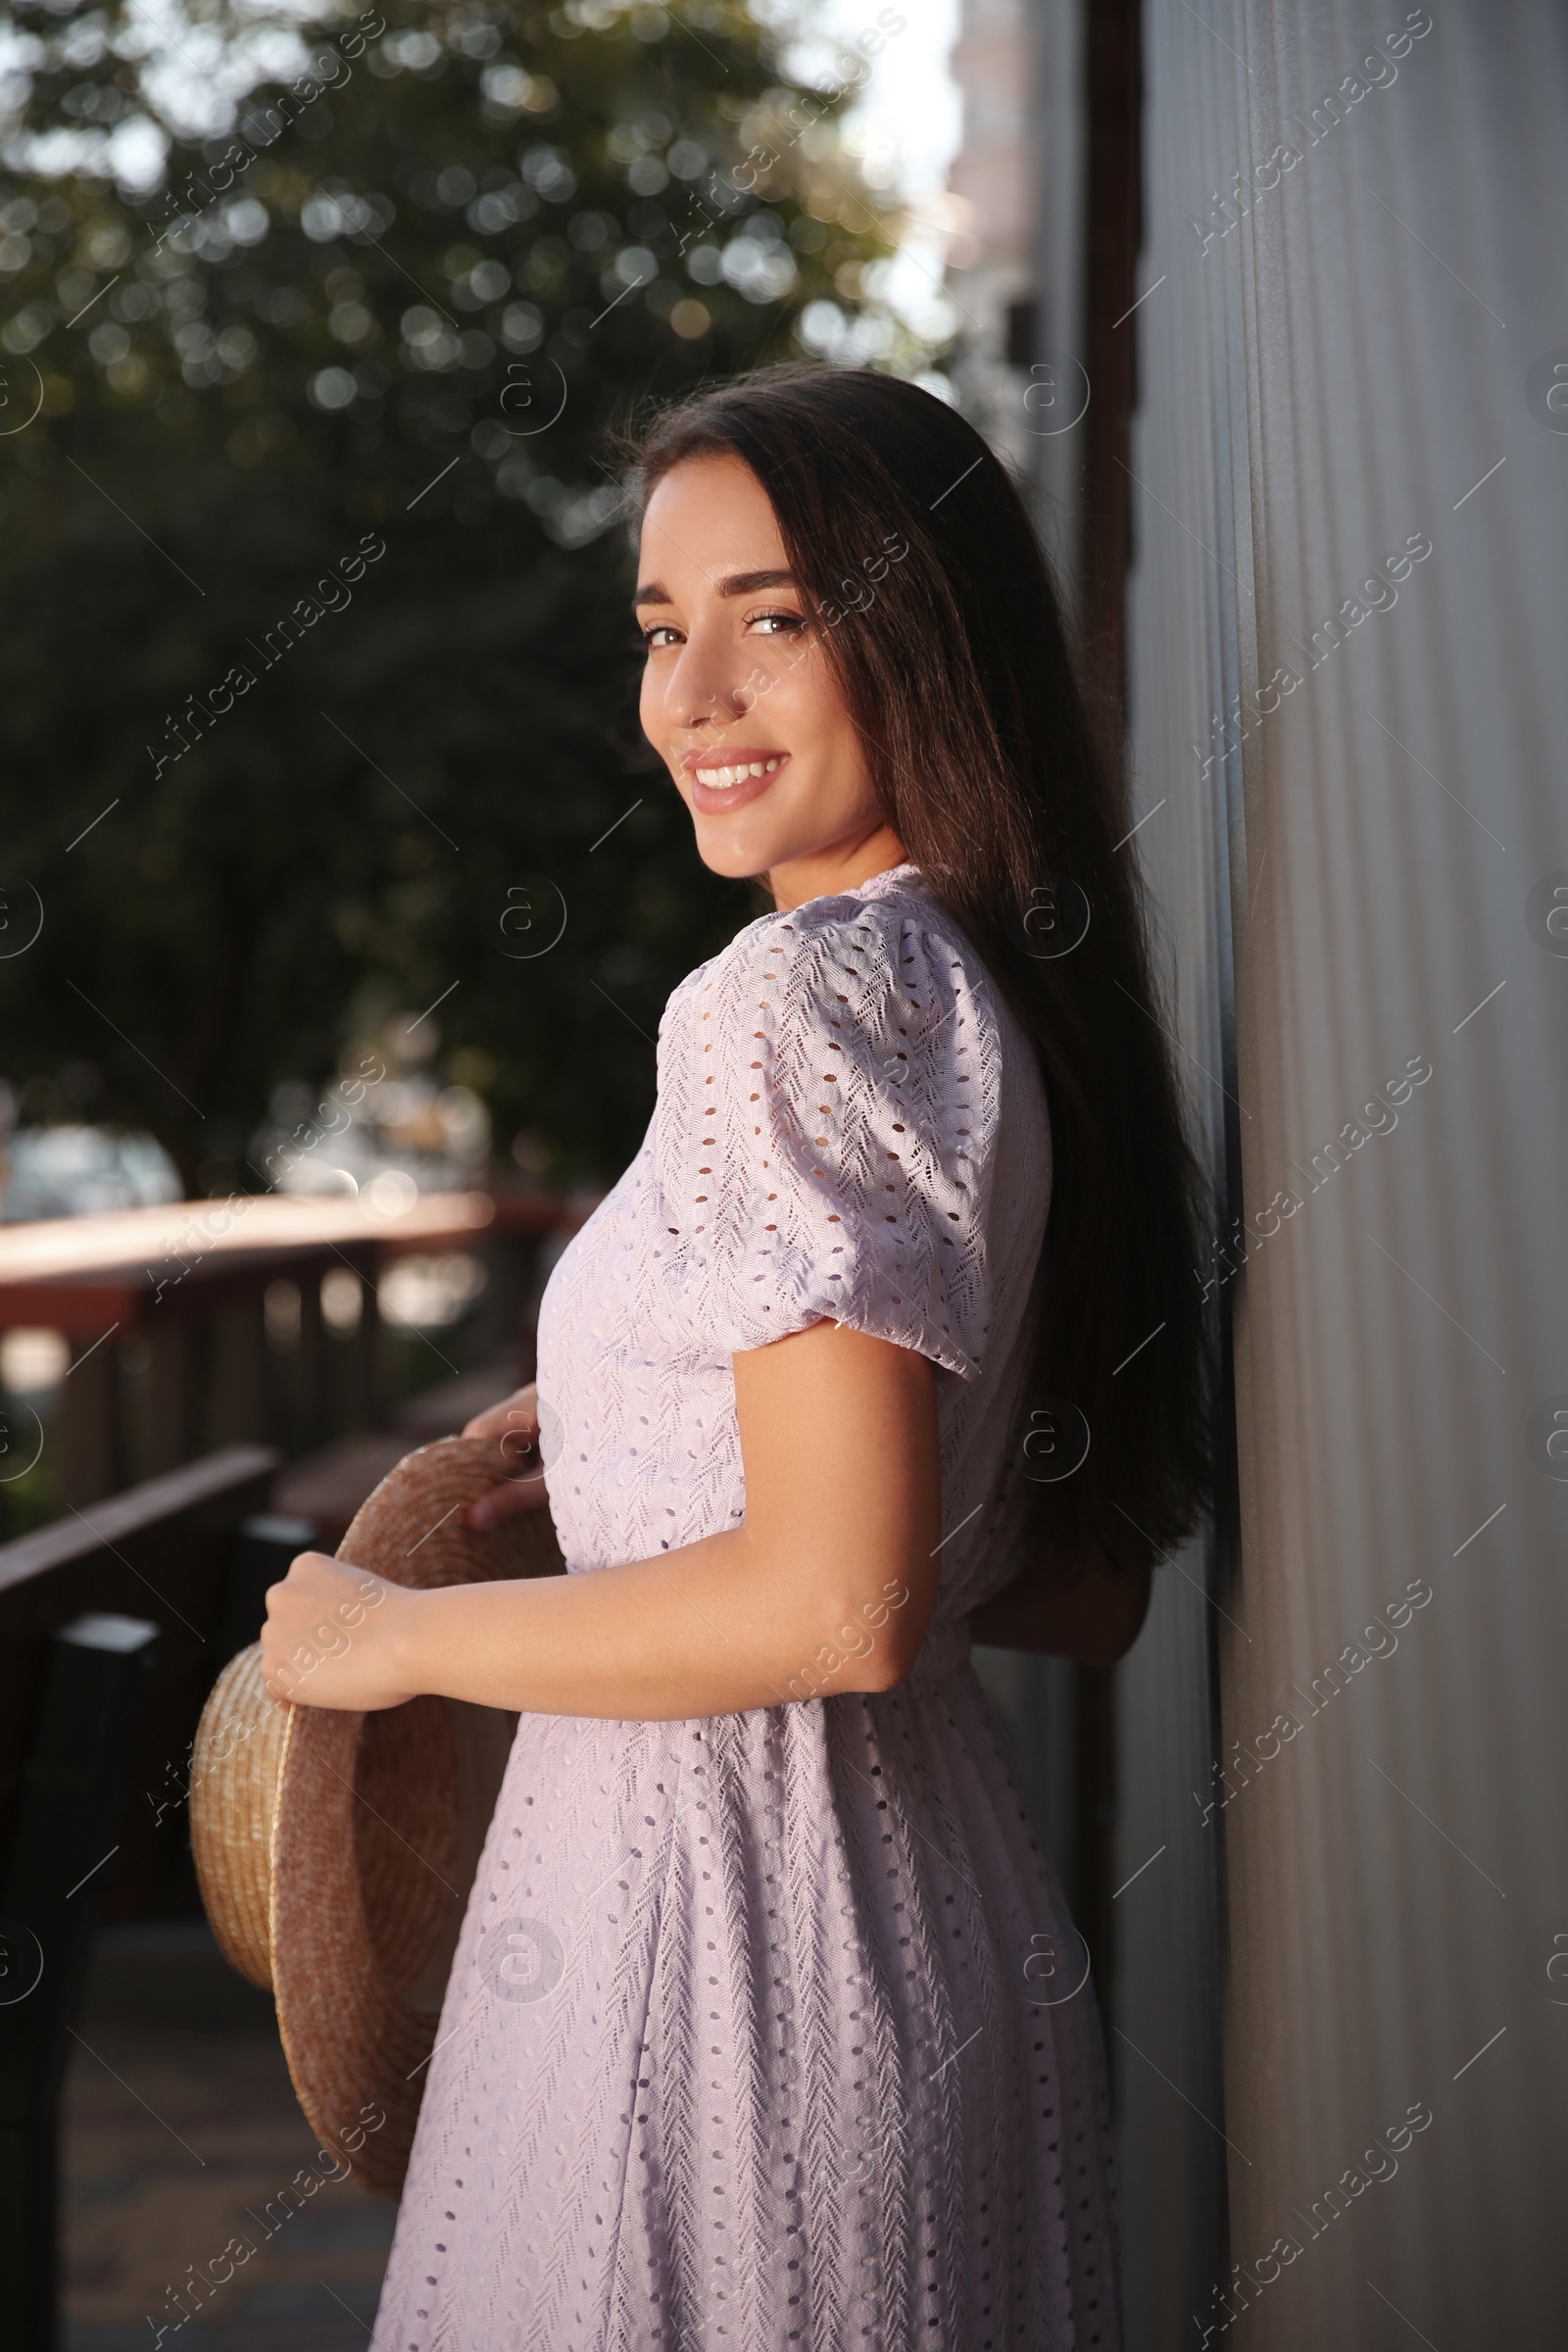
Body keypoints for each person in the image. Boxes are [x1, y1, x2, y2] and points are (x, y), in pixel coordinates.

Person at [262, 364, 1214, 2349]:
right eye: (656, 629)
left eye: (771, 618)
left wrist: (392, 1640)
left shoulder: (787, 1006)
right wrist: (634, 1475)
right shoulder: (994, 989)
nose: (686, 695)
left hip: (711, 1978)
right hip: (930, 1929)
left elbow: (832, 1603)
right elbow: (1068, 1585)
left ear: (922, 633)